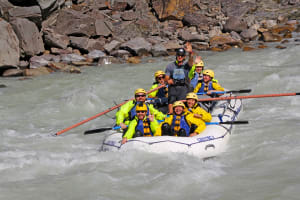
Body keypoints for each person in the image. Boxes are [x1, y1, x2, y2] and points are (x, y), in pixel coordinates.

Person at [165, 42, 194, 114]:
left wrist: (190, 52)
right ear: (176, 56)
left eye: (181, 55)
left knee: (181, 102)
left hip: (184, 87)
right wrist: (168, 81)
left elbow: (191, 61)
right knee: (171, 98)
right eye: (178, 55)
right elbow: (166, 79)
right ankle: (170, 113)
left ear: (184, 57)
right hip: (173, 87)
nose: (180, 57)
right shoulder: (170, 66)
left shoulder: (187, 65)